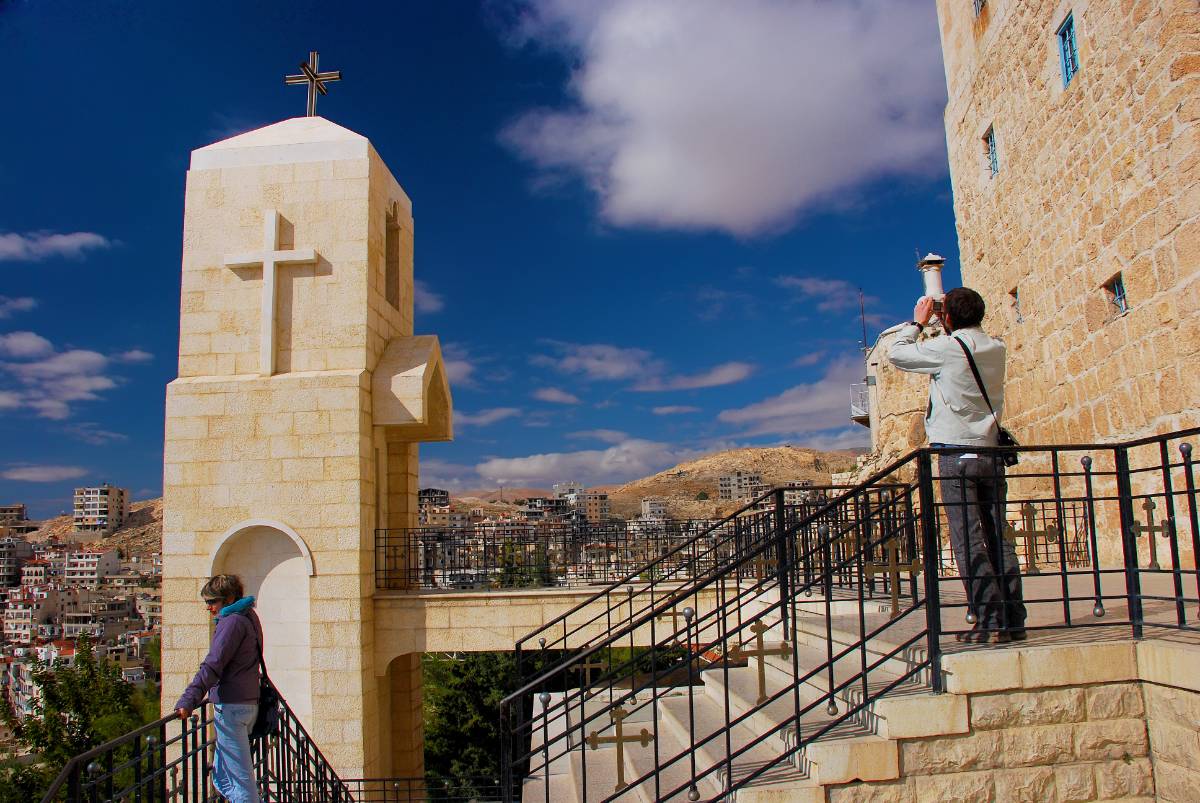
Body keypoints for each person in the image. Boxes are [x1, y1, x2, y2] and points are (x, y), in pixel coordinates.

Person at [888, 287, 1026, 643]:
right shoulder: (996, 348)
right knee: (999, 537)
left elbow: (897, 354)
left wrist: (917, 324)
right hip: (991, 453)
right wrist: (949, 318)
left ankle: (988, 620)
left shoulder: (948, 349)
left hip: (956, 455)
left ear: (947, 317)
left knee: (968, 540)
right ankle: (1013, 618)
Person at [175, 574, 263, 803]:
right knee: (228, 772)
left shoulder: (232, 622)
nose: (209, 608)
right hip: (247, 701)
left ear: (229, 598)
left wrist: (189, 699)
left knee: (239, 780)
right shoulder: (248, 616)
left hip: (232, 706)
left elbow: (213, 664)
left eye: (212, 602)